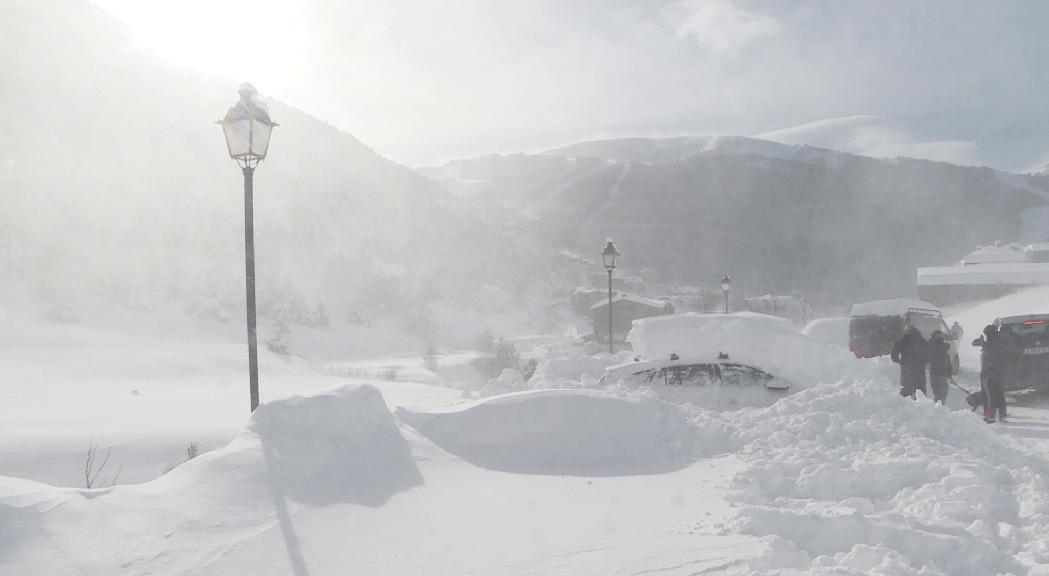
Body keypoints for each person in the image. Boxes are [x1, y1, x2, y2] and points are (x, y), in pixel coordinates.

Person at [973, 324, 1007, 423]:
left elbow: (990, 356)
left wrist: (984, 344)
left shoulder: (991, 344)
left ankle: (990, 416)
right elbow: (974, 343)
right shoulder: (1000, 342)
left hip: (988, 374)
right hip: (999, 374)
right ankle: (1002, 415)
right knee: (999, 394)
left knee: (988, 396)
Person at [891, 324, 928, 399]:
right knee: (920, 388)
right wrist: (924, 361)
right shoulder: (921, 339)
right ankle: (922, 404)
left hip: (907, 366)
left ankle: (906, 405)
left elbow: (895, 350)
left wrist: (898, 360)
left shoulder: (904, 338)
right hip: (919, 367)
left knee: (906, 387)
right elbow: (929, 351)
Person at [927, 330, 952, 405]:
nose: (940, 338)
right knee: (940, 393)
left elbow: (947, 360)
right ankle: (939, 408)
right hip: (937, 374)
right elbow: (945, 360)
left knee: (942, 393)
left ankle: (940, 407)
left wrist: (949, 371)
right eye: (938, 336)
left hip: (939, 373)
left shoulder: (940, 347)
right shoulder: (937, 347)